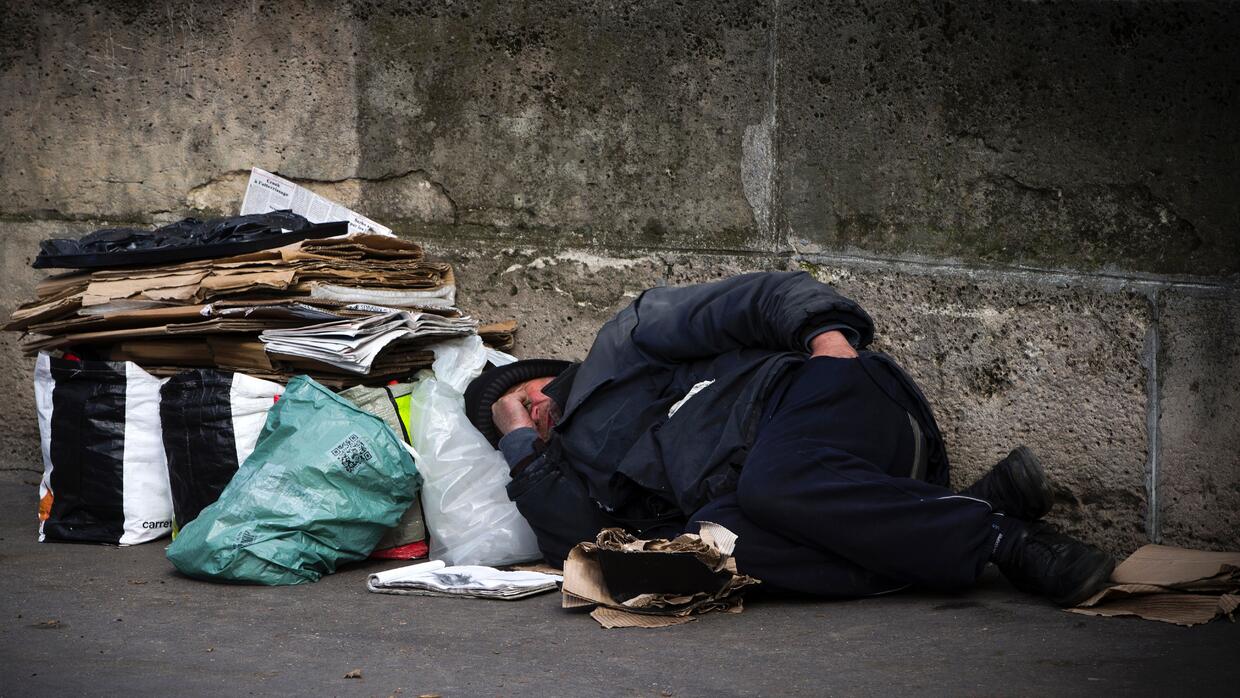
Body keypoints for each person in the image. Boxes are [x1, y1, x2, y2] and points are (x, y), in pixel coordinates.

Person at [464, 271, 1116, 606]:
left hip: (819, 400)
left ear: (548, 375)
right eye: (516, 418)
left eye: (526, 395)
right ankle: (970, 515)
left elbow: (750, 299)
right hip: (820, 497)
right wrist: (520, 446)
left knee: (773, 480)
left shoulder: (622, 346)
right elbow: (572, 545)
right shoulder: (573, 470)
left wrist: (827, 337)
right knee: (693, 559)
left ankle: (1006, 540)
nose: (533, 409)